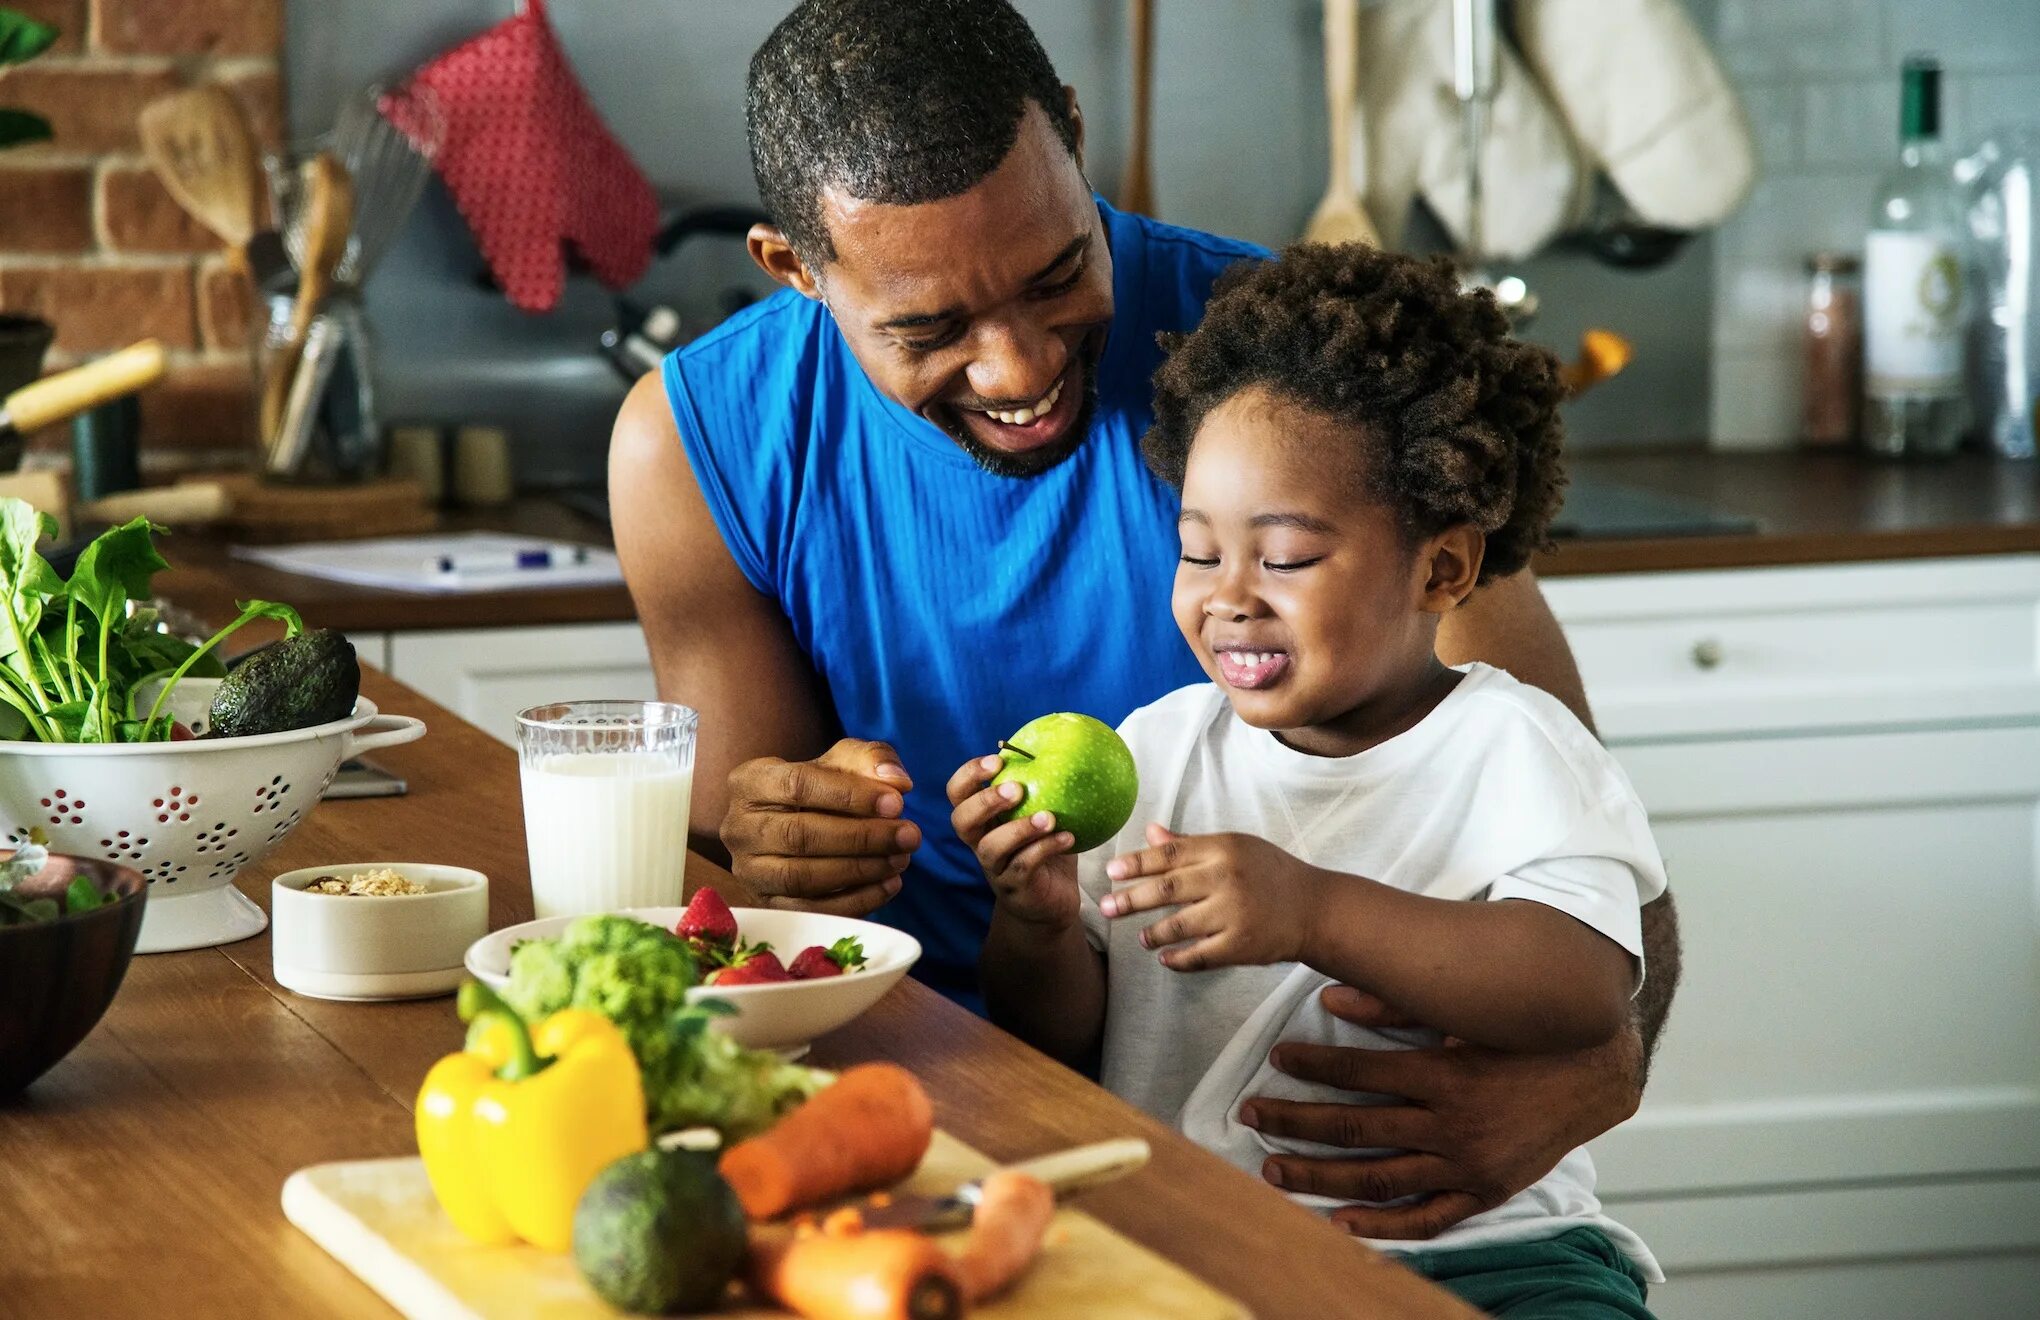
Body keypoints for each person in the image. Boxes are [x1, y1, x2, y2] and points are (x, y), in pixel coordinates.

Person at [609, 0, 1683, 1246]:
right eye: (930, 328)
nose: (1017, 368)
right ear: (796, 268)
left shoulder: (1307, 390)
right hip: (898, 1107)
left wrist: (1601, 1074)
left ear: (1073, 135)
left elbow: (1580, 833)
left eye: (1058, 273)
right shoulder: (697, 445)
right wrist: (769, 828)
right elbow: (728, 884)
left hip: (1327, 1167)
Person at [952, 244, 1664, 1316]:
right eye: (1199, 553)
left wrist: (1313, 909)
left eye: (1282, 558)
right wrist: (1040, 925)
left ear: (1442, 569)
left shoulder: (1514, 748)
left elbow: (1584, 988)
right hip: (1201, 1249)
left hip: (1495, 1256)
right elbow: (1060, 1042)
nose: (1229, 598)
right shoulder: (1156, 751)